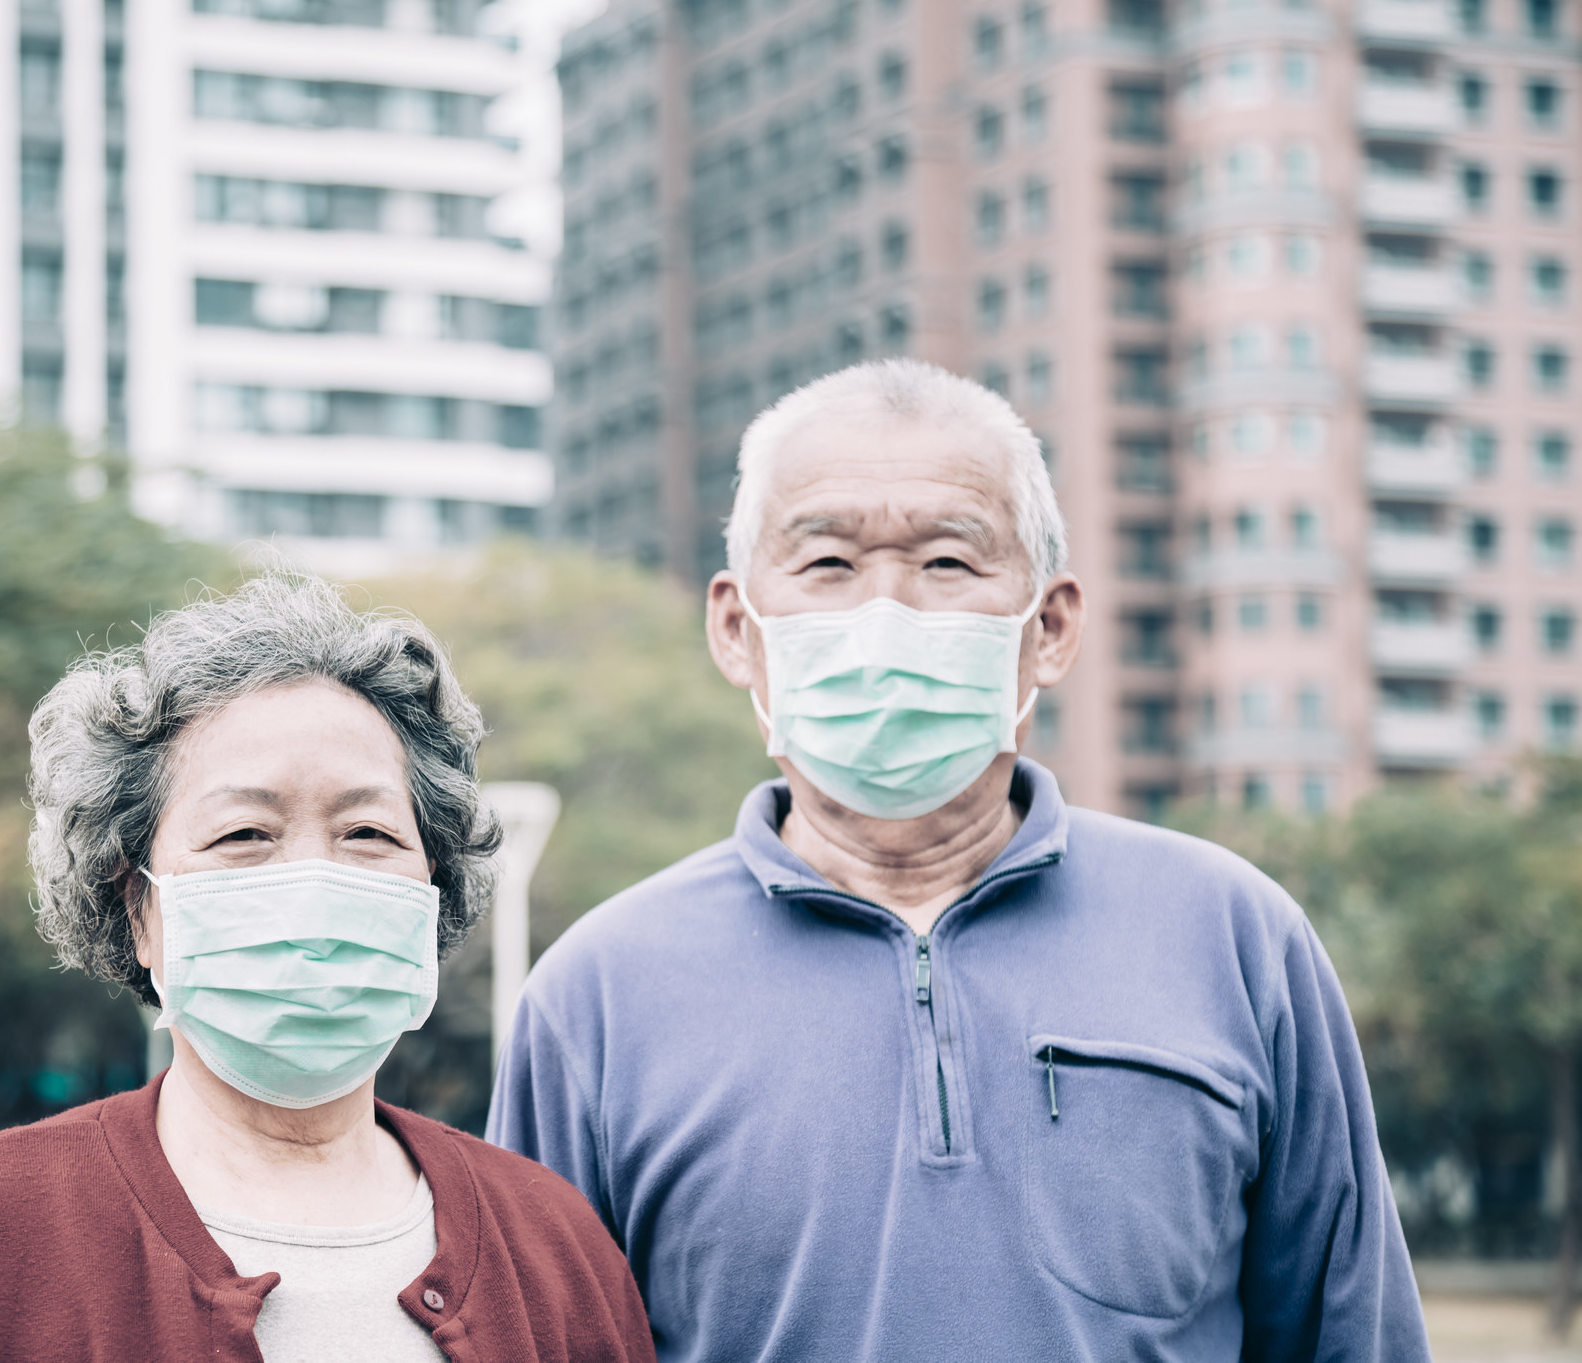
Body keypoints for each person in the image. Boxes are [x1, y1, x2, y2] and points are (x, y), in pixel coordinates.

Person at [488, 360, 1430, 1361]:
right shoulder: (595, 996)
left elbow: (1351, 1334)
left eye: (947, 562)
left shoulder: (1236, 937)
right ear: (737, 628)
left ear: (1051, 625)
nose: (885, 614)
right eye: (828, 566)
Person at [0, 574, 655, 1363]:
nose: (313, 882)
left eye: (367, 833)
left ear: (433, 891)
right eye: (244, 835)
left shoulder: (557, 1244)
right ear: (137, 908)